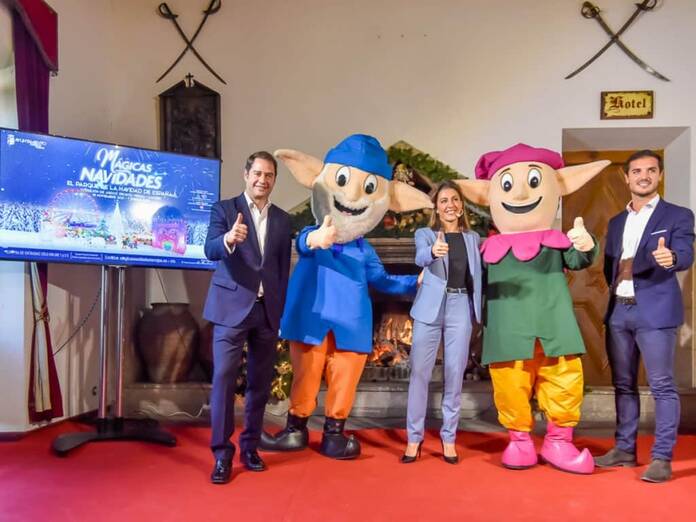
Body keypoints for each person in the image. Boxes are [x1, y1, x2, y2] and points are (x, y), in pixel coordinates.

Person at [259, 134, 433, 459]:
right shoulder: (313, 234)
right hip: (312, 320)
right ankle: (295, 430)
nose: (352, 196)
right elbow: (303, 243)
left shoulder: (363, 251)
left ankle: (334, 434)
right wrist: (317, 238)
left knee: (345, 379)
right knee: (306, 376)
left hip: (350, 326)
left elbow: (382, 280)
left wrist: (416, 282)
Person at [457, 143, 609, 474]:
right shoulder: (486, 249)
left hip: (554, 326)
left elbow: (578, 260)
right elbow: (468, 284)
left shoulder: (555, 241)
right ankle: (520, 441)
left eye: (534, 182)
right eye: (508, 184)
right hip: (508, 332)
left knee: (563, 380)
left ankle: (559, 441)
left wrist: (586, 244)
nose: (522, 193)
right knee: (510, 385)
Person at [596, 149, 695, 483]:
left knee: (662, 385)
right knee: (623, 384)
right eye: (637, 171)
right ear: (626, 178)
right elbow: (610, 266)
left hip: (655, 312)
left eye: (651, 170)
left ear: (659, 176)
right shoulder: (616, 222)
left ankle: (662, 458)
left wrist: (673, 258)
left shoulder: (678, 215)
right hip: (618, 312)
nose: (644, 176)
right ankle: (624, 449)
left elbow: (685, 253)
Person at [203, 151, 292, 484]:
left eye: (269, 175)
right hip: (230, 309)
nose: (262, 180)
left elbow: (281, 269)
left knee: (260, 384)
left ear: (274, 180)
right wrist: (228, 238)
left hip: (266, 312)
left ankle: (250, 448)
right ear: (246, 174)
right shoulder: (225, 210)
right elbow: (209, 248)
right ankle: (221, 455)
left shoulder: (282, 220)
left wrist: (279, 312)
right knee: (224, 379)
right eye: (257, 173)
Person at [402, 180, 482, 464]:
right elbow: (420, 257)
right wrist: (432, 252)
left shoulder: (473, 238)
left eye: (455, 200)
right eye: (444, 200)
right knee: (419, 374)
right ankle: (414, 438)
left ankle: (449, 438)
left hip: (460, 306)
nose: (450, 204)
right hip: (429, 308)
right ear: (436, 207)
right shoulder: (425, 234)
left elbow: (478, 275)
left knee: (454, 374)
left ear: (461, 206)